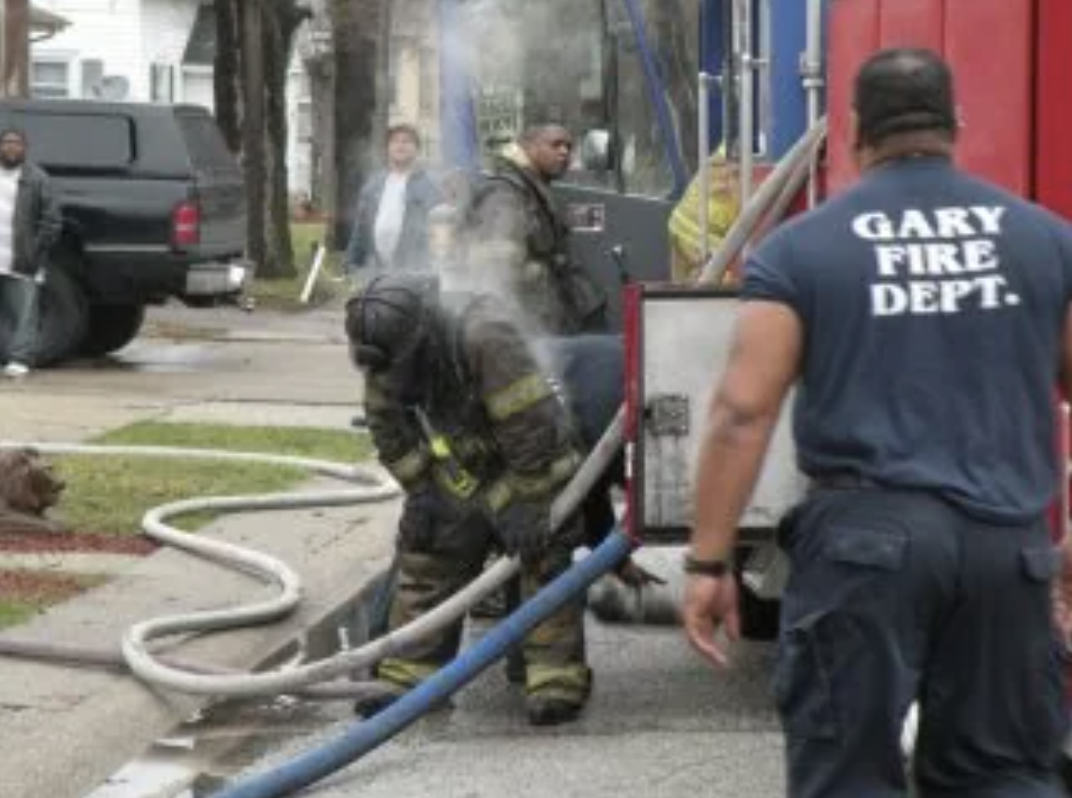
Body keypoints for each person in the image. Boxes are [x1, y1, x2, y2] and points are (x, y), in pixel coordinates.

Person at [681, 48, 1072, 797]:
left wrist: (707, 562)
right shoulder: (1044, 241)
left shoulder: (801, 251)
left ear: (855, 129)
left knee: (847, 775)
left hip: (866, 549)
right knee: (1005, 777)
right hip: (1005, 549)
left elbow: (741, 411)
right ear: (955, 123)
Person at [345, 274, 593, 726]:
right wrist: (421, 492)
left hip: (532, 464)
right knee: (430, 545)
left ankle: (554, 677)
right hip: (466, 465)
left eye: (396, 370)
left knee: (542, 551)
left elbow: (530, 427)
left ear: (423, 339)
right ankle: (408, 675)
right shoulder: (385, 351)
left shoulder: (484, 337)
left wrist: (530, 503)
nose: (388, 381)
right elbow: (389, 433)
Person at [466, 124, 607, 335]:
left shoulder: (533, 187)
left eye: (568, 146)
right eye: (555, 145)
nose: (564, 152)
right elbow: (495, 270)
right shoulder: (505, 192)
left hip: (547, 315)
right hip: (528, 323)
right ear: (528, 147)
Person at [0, 128, 61, 377]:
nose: (11, 147)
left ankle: (20, 358)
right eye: (6, 142)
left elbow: (52, 221)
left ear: (25, 148)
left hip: (21, 258)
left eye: (17, 143)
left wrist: (35, 252)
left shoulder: (38, 178)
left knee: (24, 312)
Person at [344, 124, 442, 278]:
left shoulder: (430, 186)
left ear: (417, 149)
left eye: (407, 141)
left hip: (414, 272)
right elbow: (361, 230)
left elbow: (437, 234)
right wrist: (351, 264)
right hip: (377, 271)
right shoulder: (373, 185)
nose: (400, 145)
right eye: (395, 141)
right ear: (388, 148)